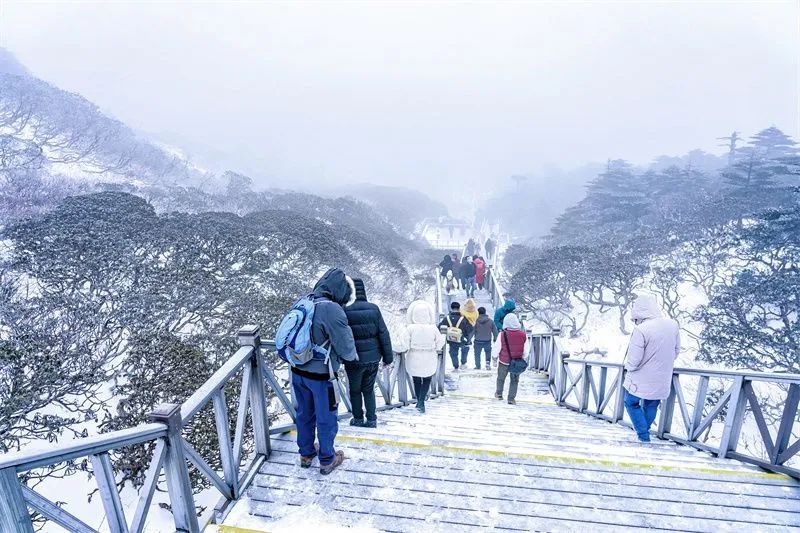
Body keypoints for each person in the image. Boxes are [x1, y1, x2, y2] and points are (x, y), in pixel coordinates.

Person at [292, 268, 357, 474]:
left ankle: (306, 453)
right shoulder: (332, 309)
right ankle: (328, 458)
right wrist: (352, 357)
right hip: (322, 377)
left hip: (297, 371)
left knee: (304, 414)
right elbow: (347, 349)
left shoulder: (305, 301)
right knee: (326, 418)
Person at [623, 294, 680, 443]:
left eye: (635, 319)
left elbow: (634, 360)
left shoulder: (641, 330)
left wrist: (628, 367)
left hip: (640, 377)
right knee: (652, 403)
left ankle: (643, 436)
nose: (635, 322)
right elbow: (676, 351)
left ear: (639, 313)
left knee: (630, 402)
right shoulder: (672, 325)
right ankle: (644, 434)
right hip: (663, 376)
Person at [343, 278, 393, 429]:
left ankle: (358, 418)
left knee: (355, 390)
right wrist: (388, 357)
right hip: (372, 358)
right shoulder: (374, 308)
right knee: (369, 389)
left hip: (354, 359)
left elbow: (342, 336)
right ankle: (371, 419)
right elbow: (383, 333)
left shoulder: (345, 309)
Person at [395, 300, 445, 413]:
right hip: (429, 356)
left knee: (416, 379)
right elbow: (440, 343)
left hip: (414, 356)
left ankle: (419, 401)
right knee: (427, 379)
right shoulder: (433, 328)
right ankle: (421, 402)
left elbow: (404, 344)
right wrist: (436, 348)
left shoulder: (410, 328)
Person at [493, 313, 529, 405]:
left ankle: (499, 394)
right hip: (516, 362)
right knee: (514, 380)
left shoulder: (502, 334)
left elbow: (497, 347)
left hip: (504, 361)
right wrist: (522, 357)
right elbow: (526, 350)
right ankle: (511, 399)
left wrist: (494, 357)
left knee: (501, 378)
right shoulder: (523, 334)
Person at [439, 301, 473, 371]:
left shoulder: (446, 318)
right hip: (462, 339)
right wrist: (468, 339)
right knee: (465, 349)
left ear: (451, 308)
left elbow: (440, 327)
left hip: (451, 339)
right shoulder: (463, 319)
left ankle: (456, 366)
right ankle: (463, 364)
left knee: (453, 352)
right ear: (459, 308)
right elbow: (470, 329)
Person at [460, 298, 479, 366]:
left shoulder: (462, 312)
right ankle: (464, 362)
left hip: (463, 330)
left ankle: (463, 361)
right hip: (472, 330)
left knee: (463, 345)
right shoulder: (476, 312)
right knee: (467, 344)